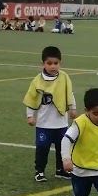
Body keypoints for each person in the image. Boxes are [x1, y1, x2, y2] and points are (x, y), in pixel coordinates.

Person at [22, 46, 77, 182]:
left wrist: (73, 108)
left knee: (62, 147)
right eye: (49, 63)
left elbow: (69, 93)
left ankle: (61, 170)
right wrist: (30, 115)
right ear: (43, 64)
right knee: (42, 148)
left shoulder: (64, 77)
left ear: (60, 63)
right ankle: (39, 171)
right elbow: (31, 99)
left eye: (56, 63)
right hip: (44, 124)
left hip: (61, 123)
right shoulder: (37, 81)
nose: (53, 66)